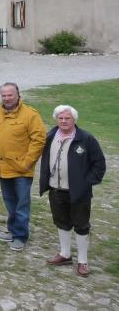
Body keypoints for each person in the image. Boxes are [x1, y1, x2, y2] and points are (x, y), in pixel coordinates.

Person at [40, 105, 106, 277]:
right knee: (61, 222)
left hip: (79, 192)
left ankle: (83, 261)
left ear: (74, 120)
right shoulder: (50, 136)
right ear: (56, 119)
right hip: (56, 188)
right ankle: (65, 254)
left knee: (81, 225)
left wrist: (87, 182)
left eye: (67, 118)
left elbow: (99, 163)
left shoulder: (86, 139)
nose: (63, 121)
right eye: (60, 118)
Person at [0, 82, 46, 251]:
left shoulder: (30, 115)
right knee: (10, 202)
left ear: (17, 95)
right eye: (4, 95)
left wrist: (27, 162)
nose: (7, 98)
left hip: (22, 169)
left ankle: (21, 236)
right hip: (3, 167)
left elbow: (39, 140)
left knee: (22, 204)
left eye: (10, 95)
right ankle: (12, 230)